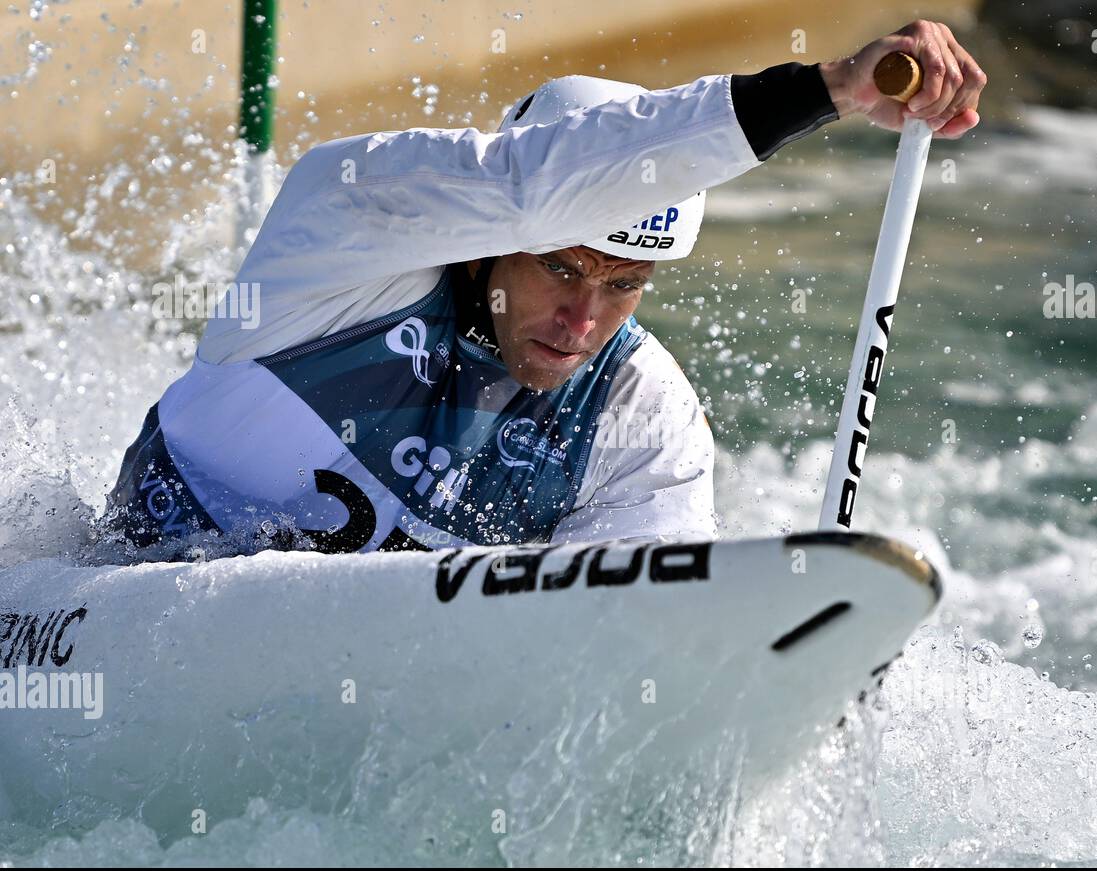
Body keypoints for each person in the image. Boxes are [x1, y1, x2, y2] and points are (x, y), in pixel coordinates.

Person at [105, 19, 985, 556]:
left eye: (624, 285)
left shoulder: (642, 414)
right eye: (560, 268)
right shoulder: (350, 229)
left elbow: (621, 630)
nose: (582, 319)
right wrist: (825, 89)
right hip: (116, 592)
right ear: (491, 245)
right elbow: (535, 183)